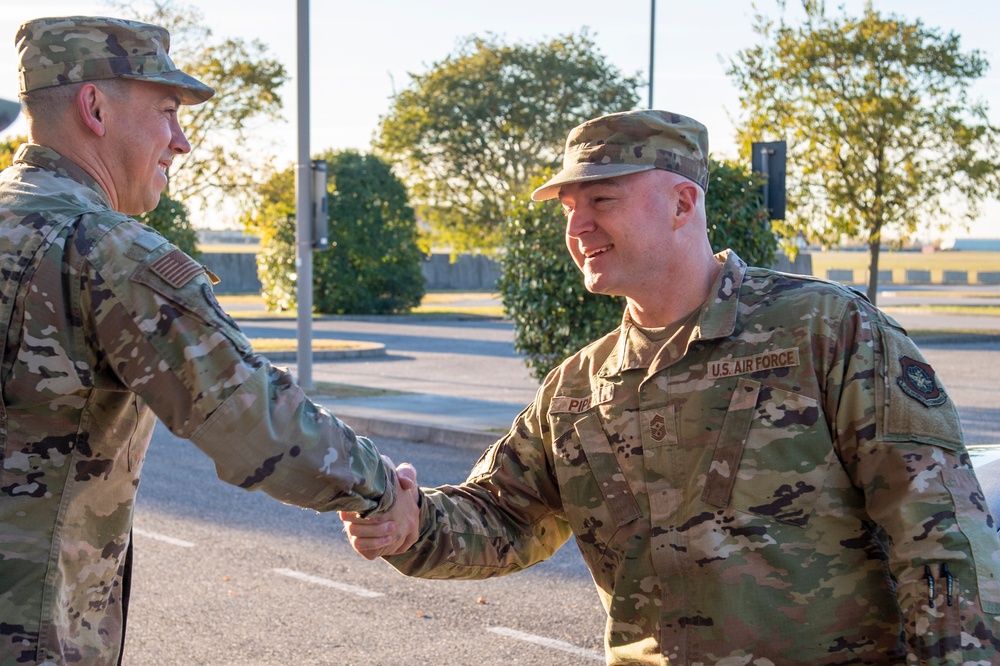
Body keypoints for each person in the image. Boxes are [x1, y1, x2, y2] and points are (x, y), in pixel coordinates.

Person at [342, 109, 1000, 664]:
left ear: (683, 202)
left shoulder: (826, 330)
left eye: (603, 201)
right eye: (570, 209)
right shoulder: (577, 388)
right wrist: (410, 523)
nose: (577, 229)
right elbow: (504, 518)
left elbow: (941, 535)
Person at [0, 16, 408, 666]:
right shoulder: (110, 254)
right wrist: (387, 496)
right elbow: (254, 420)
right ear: (95, 107)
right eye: (167, 112)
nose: (181, 141)